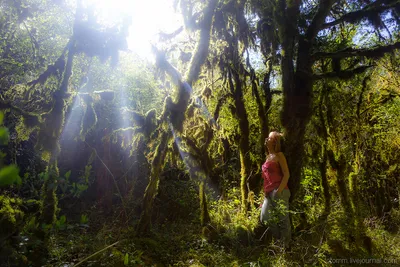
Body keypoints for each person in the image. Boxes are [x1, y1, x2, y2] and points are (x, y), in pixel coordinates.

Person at [260, 131, 291, 247]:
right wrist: (265, 196)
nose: (266, 139)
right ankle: (279, 241)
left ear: (274, 142)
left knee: (283, 220)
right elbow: (266, 180)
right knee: (264, 218)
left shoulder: (279, 155)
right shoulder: (267, 157)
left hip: (280, 190)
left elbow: (286, 174)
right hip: (269, 194)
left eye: (269, 138)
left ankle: (285, 247)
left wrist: (279, 191)